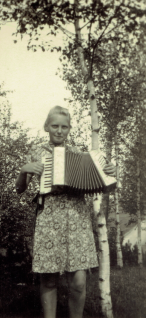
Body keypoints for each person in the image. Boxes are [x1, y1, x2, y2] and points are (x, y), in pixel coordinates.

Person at [16, 106, 115, 318]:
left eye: (64, 126)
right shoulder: (36, 151)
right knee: (49, 279)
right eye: (54, 126)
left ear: (69, 128)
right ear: (46, 127)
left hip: (76, 217)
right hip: (49, 217)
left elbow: (105, 183)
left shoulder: (79, 154)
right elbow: (20, 188)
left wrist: (109, 172)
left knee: (78, 282)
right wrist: (24, 170)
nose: (59, 131)